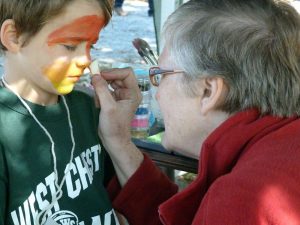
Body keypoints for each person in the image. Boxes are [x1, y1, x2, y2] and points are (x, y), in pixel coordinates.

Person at [91, 0, 300, 224]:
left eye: (161, 75)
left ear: (208, 91)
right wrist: (119, 141)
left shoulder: (247, 199)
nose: (157, 93)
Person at [0, 0, 122, 225]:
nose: (86, 60)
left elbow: (117, 199)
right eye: (69, 45)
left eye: (91, 46)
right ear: (14, 36)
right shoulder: (4, 129)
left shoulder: (91, 109)